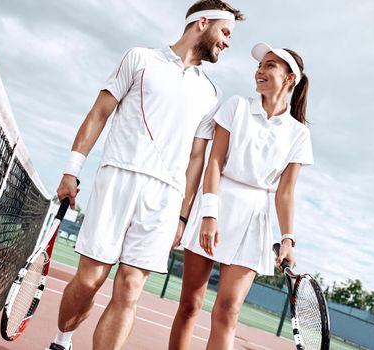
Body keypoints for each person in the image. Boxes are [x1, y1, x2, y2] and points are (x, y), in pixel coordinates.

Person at [47, 2, 245, 350]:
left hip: (165, 199)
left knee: (130, 289)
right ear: (202, 23)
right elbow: (99, 114)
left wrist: (182, 217)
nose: (227, 43)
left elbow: (196, 158)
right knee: (90, 279)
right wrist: (71, 172)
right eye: (226, 32)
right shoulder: (139, 59)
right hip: (118, 180)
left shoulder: (211, 93)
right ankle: (62, 340)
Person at [169, 42, 313, 350]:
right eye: (260, 65)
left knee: (228, 311)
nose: (260, 70)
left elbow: (285, 192)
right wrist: (209, 214)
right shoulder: (235, 105)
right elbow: (214, 163)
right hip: (216, 205)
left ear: (289, 79)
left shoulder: (299, 134)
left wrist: (288, 238)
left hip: (254, 220)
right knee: (190, 305)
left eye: (270, 66)